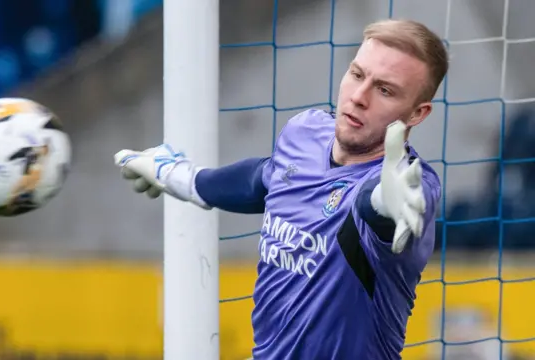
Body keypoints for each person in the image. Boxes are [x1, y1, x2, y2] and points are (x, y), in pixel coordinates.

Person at [115, 18, 448, 360]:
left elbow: (378, 209)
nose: (359, 97)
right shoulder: (305, 132)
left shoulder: (411, 187)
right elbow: (261, 180)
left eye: (385, 90)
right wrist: (177, 176)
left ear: (417, 113)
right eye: (357, 74)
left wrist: (382, 204)